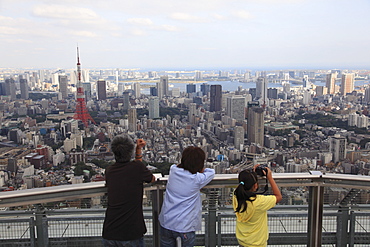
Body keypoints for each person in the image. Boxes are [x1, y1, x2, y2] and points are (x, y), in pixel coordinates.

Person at [102, 135, 155, 247]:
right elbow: (151, 179)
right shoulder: (137, 168)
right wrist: (138, 149)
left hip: (110, 231)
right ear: (130, 152)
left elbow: (134, 168)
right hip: (131, 232)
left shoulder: (109, 171)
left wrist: (138, 150)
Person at [159, 146, 215, 247]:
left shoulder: (173, 170)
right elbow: (211, 172)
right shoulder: (197, 179)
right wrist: (201, 170)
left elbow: (176, 166)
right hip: (185, 226)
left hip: (166, 223)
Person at [233, 165, 282, 247]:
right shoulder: (259, 202)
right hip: (258, 243)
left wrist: (251, 174)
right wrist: (269, 178)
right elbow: (278, 197)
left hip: (242, 241)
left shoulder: (236, 196)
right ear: (255, 185)